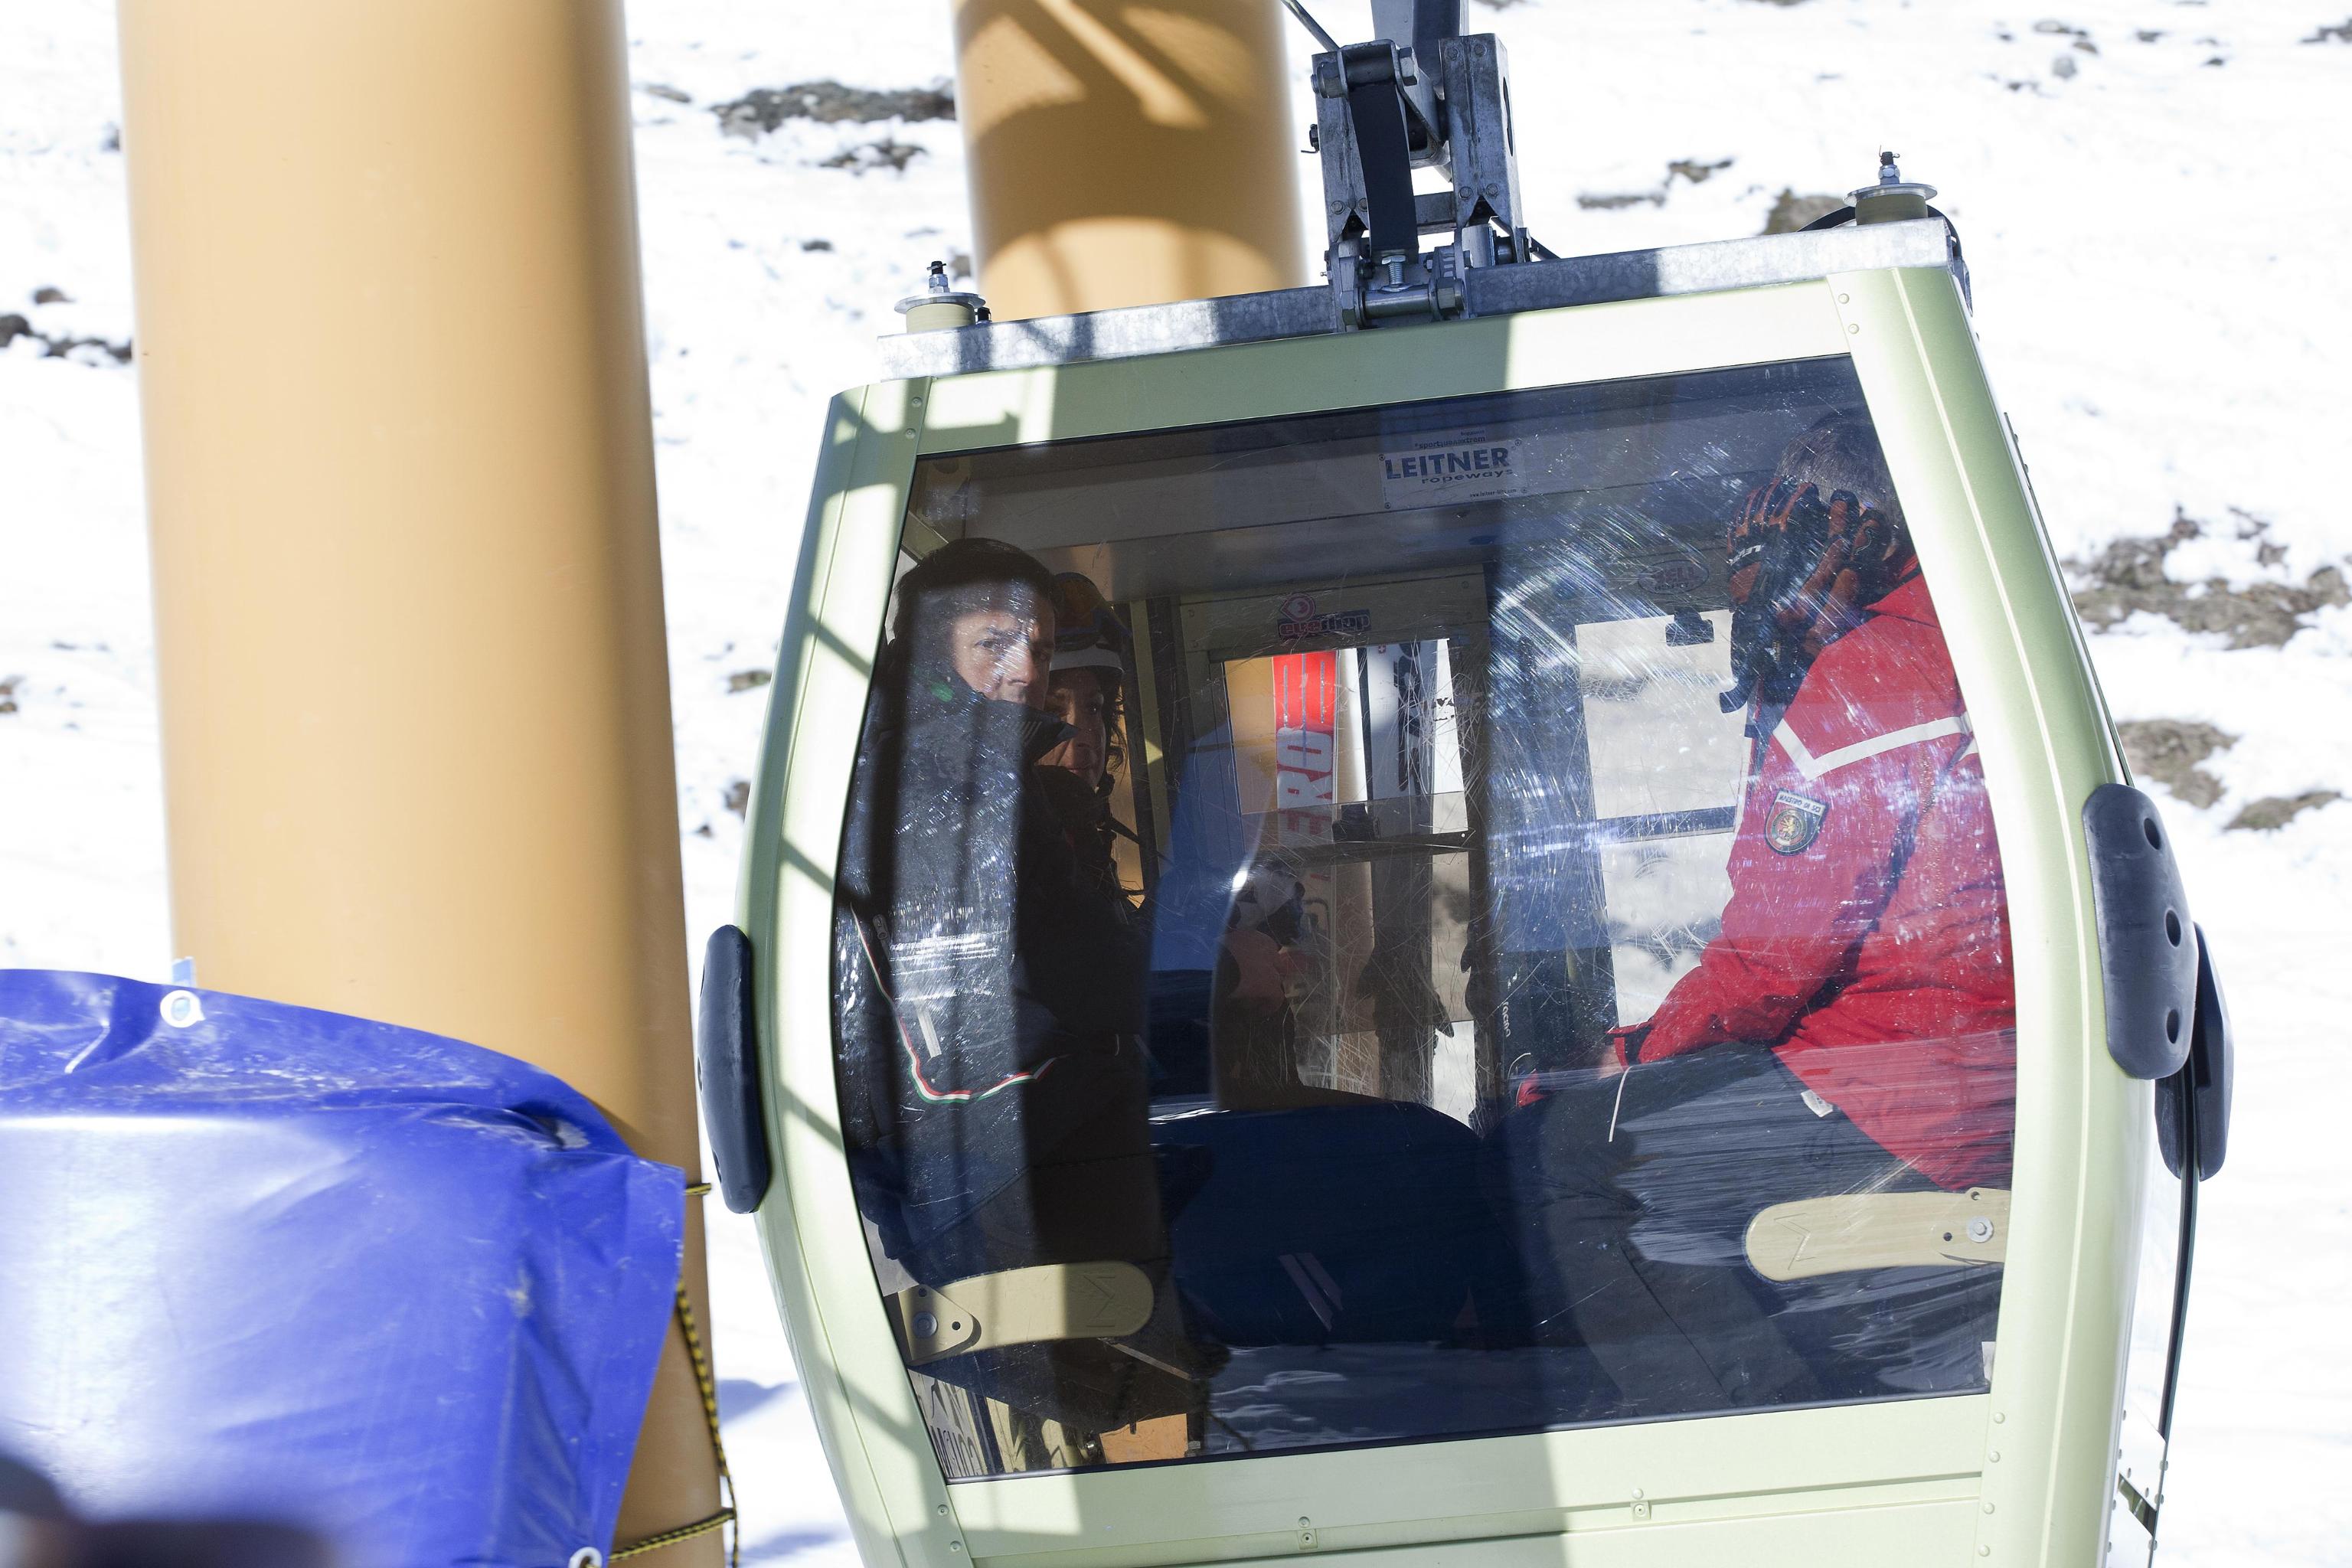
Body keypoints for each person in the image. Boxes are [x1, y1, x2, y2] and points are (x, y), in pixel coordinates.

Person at [1493, 411, 2015, 1414]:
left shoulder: (1876, 670)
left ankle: (1735, 1428)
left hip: (1898, 1086)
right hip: (1960, 1077)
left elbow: (1771, 966)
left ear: (1847, 533)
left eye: (1781, 544)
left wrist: (1628, 1063)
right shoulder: (1968, 645)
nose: (1762, 590)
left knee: (1570, 1153)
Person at [831, 537, 1179, 1434]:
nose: (1025, 668)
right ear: (930, 648)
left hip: (997, 1173)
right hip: (1002, 1188)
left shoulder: (951, 768)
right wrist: (1192, 986)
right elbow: (1061, 987)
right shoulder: (939, 786)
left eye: (1040, 647)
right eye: (995, 642)